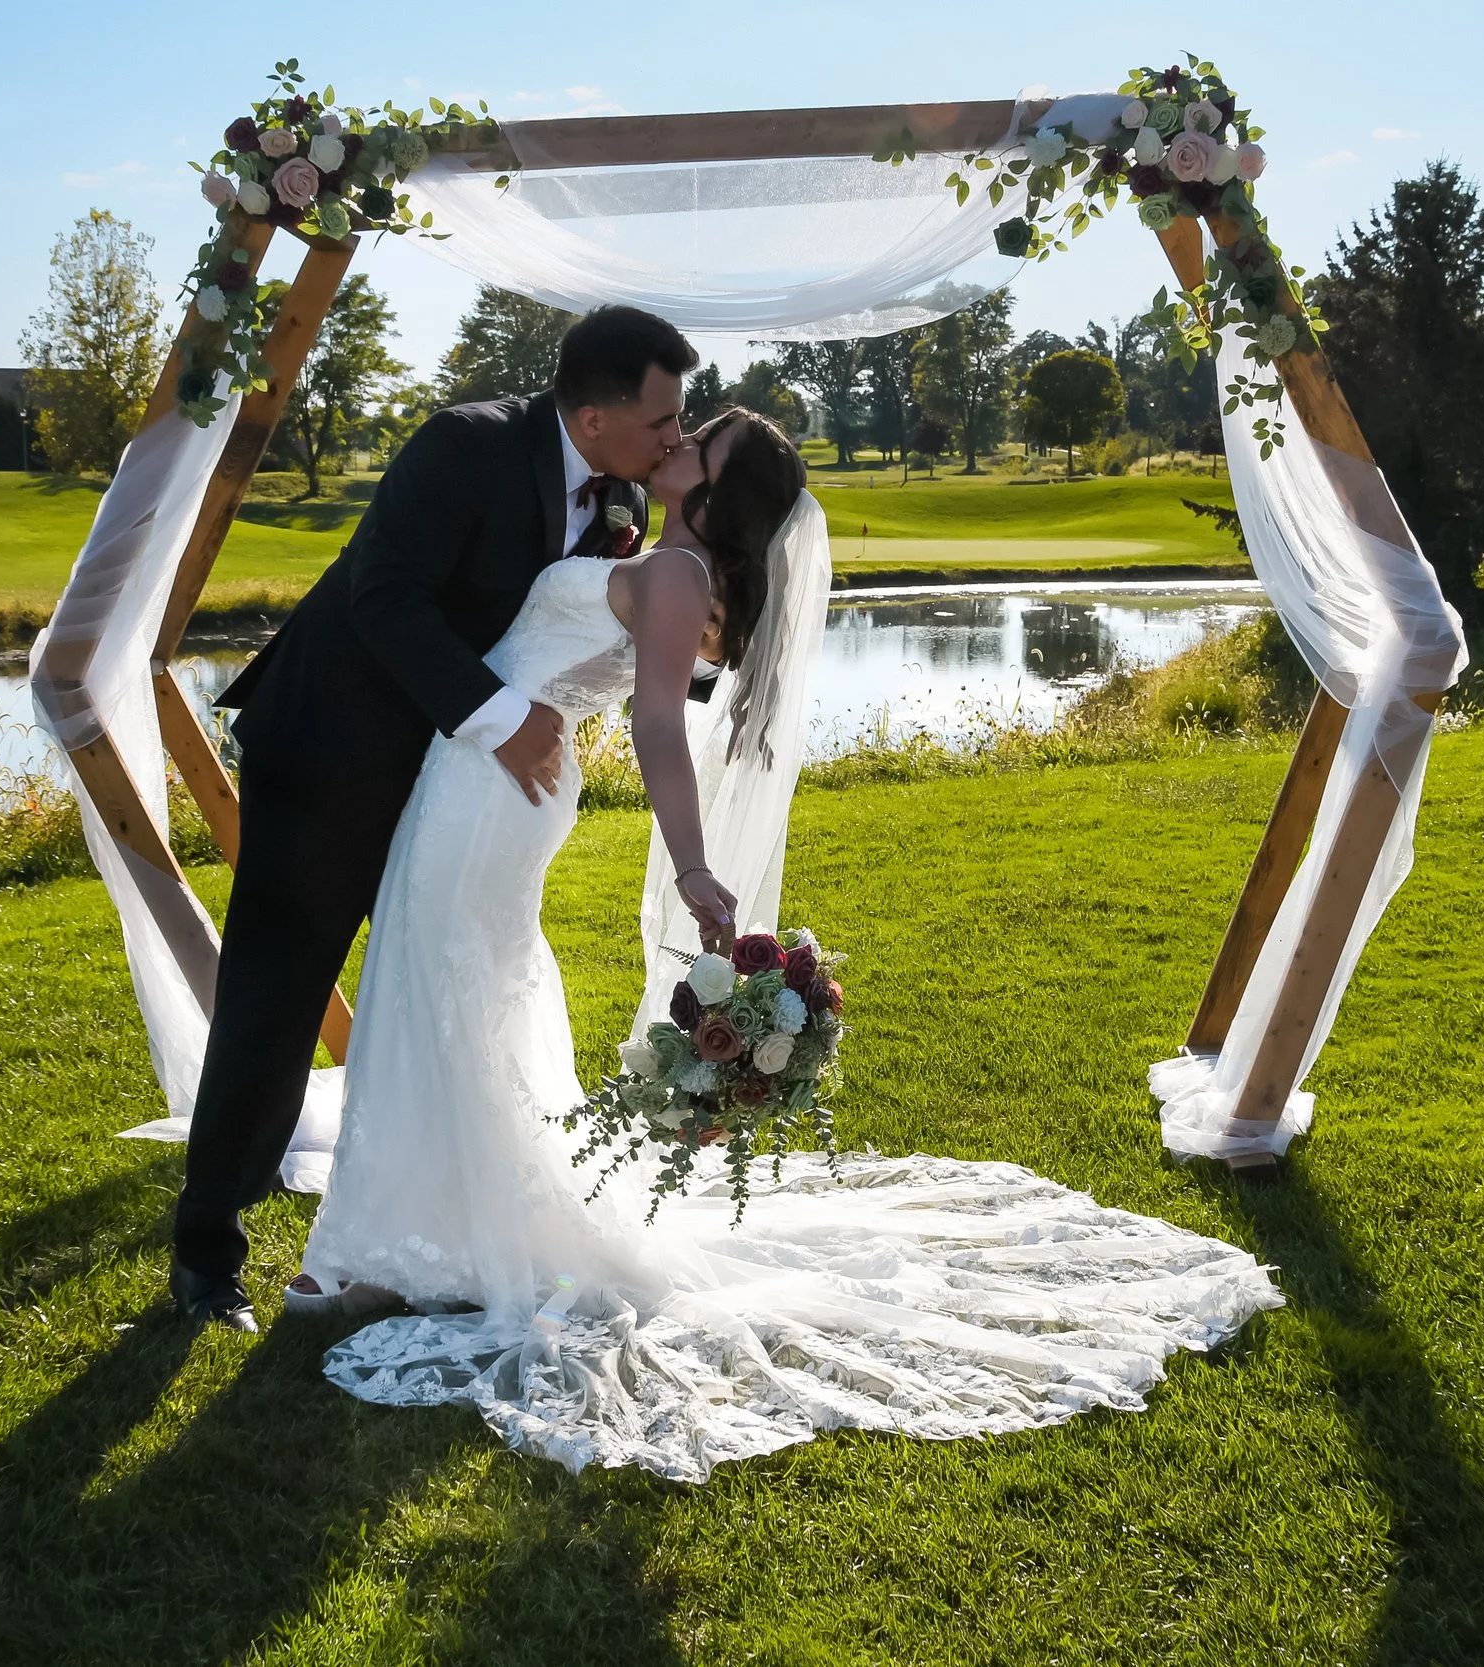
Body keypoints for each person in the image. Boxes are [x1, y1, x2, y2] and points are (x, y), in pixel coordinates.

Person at [284, 406, 1284, 1483]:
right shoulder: (654, 557)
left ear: (719, 495)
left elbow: (662, 726)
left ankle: (382, 1251)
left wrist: (693, 863)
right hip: (491, 780)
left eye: (698, 442)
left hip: (489, 794)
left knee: (435, 985)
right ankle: (422, 1232)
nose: (677, 441)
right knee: (449, 988)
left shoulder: (672, 578)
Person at [169, 307, 707, 1333]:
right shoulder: (465, 446)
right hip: (332, 744)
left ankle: (441, 1227)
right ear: (591, 417)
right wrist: (504, 721)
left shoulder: (621, 497)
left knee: (446, 992)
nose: (673, 438)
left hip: (446, 792)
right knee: (277, 994)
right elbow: (385, 597)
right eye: (661, 419)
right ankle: (207, 1252)